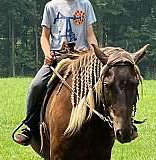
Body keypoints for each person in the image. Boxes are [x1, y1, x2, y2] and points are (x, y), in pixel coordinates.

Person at [14, 0, 98, 146]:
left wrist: (96, 53)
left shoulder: (85, 4)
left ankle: (120, 124)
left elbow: (90, 34)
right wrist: (47, 54)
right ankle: (30, 126)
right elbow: (44, 36)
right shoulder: (51, 6)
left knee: (109, 83)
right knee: (36, 85)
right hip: (58, 58)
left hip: (83, 57)